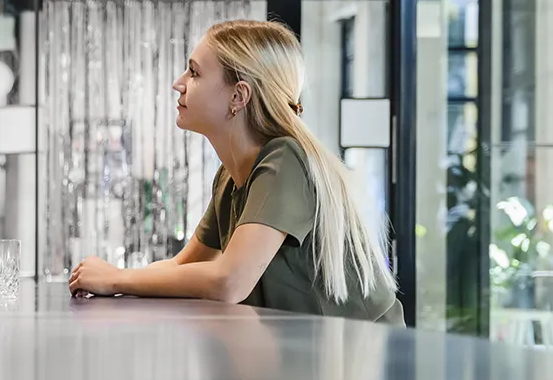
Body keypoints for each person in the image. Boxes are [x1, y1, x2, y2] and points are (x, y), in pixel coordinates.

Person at [69, 19, 402, 324]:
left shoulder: (285, 160)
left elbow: (229, 281)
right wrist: (114, 278)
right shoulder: (230, 177)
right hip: (316, 354)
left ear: (238, 96)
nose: (178, 84)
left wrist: (114, 279)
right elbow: (183, 265)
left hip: (366, 357)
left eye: (194, 73)